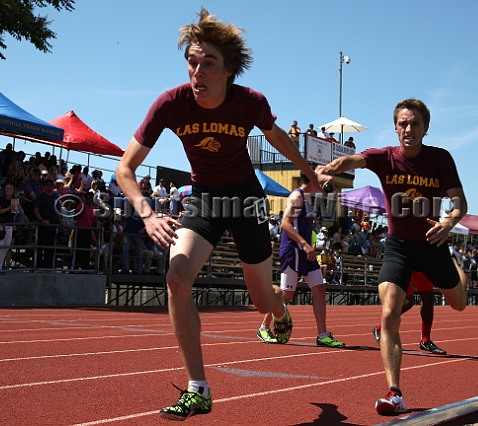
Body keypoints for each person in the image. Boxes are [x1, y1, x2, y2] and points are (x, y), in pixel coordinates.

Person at [114, 8, 322, 421]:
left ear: (229, 71)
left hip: (245, 198)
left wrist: (308, 170)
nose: (198, 71)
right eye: (192, 62)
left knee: (263, 297)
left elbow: (275, 135)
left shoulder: (250, 103)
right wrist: (148, 213)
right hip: (206, 197)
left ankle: (280, 314)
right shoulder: (171, 105)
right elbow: (124, 169)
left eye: (208, 63)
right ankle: (199, 388)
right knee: (176, 277)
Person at [315, 98, 468, 415]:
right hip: (398, 246)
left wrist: (449, 223)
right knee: (389, 313)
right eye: (403, 123)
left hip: (431, 242)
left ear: (425, 128)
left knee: (458, 302)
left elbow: (459, 203)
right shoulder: (384, 157)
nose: (408, 129)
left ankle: (456, 265)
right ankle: (394, 393)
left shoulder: (440, 159)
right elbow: (353, 161)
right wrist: (330, 168)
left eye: (414, 124)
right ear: (396, 127)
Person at [258, 174, 344, 347]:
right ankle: (264, 327)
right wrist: (305, 244)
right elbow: (285, 224)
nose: (326, 186)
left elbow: (325, 175)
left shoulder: (310, 198)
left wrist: (328, 181)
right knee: (287, 295)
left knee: (319, 289)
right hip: (294, 250)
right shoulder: (297, 197)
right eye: (322, 182)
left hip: (306, 252)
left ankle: (322, 335)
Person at [372, 272, 447, 355]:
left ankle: (425, 341)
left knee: (428, 298)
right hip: (406, 264)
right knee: (407, 302)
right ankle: (379, 328)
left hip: (422, 265)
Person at [34, 179, 62, 268]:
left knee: (50, 248)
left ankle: (48, 267)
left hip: (53, 225)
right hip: (43, 226)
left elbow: (57, 212)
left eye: (51, 185)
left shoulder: (55, 197)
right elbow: (36, 210)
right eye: (47, 185)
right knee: (40, 247)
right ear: (44, 186)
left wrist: (61, 222)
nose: (49, 186)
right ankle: (38, 266)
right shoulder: (41, 197)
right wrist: (42, 220)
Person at [0, 183, 19, 271]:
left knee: (6, 247)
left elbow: (15, 212)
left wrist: (17, 208)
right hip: (1, 225)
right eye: (7, 188)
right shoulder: (0, 199)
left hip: (9, 225)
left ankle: (0, 266)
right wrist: (8, 208)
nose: (8, 190)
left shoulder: (14, 200)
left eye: (10, 188)